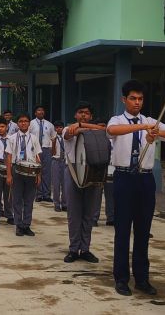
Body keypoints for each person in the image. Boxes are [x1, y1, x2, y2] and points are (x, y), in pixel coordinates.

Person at [107, 80, 165, 296]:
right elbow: (112, 130)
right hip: (123, 178)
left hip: (145, 180)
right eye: (133, 98)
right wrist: (143, 127)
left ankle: (142, 278)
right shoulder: (118, 120)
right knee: (122, 230)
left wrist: (158, 133)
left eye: (140, 99)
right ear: (124, 99)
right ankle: (121, 278)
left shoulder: (153, 122)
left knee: (143, 231)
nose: (137, 103)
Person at [62, 102, 106, 264]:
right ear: (75, 115)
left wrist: (83, 126)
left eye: (86, 113)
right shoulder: (68, 128)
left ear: (91, 116)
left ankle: (85, 249)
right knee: (74, 214)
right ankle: (73, 249)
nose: (83, 115)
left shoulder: (97, 131)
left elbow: (106, 132)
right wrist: (80, 127)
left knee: (89, 214)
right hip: (73, 172)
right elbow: (69, 134)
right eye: (80, 112)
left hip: (92, 173)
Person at [5, 113, 42, 237]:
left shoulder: (34, 138)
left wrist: (38, 174)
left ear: (29, 123)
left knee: (29, 199)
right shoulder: (12, 138)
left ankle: (27, 225)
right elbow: (9, 157)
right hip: (17, 169)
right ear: (17, 123)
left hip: (31, 171)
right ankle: (19, 225)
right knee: (17, 199)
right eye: (21, 121)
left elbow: (37, 156)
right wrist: (9, 175)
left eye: (26, 121)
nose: (23, 123)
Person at [29, 104, 56, 202]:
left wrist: (53, 151)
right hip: (35, 149)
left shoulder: (49, 124)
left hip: (46, 149)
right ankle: (38, 194)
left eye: (42, 110)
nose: (41, 112)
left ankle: (47, 194)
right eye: (38, 110)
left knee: (47, 173)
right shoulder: (31, 124)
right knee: (36, 171)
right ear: (35, 113)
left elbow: (53, 138)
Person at [51, 120, 66, 212]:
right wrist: (53, 142)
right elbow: (52, 152)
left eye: (60, 127)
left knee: (65, 184)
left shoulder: (66, 137)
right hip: (56, 161)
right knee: (56, 184)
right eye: (57, 127)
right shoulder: (53, 138)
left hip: (64, 161)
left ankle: (65, 203)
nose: (59, 129)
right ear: (55, 129)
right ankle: (56, 204)